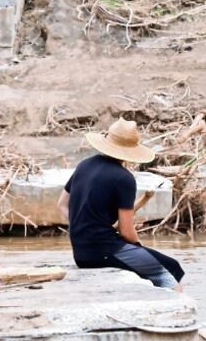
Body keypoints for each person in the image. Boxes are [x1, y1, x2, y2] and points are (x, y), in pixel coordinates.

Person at [58, 119, 184, 291]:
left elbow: (62, 204)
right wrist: (138, 246)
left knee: (149, 263)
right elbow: (126, 232)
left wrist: (80, 228)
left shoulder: (84, 165)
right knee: (170, 268)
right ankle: (175, 311)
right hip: (104, 251)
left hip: (80, 253)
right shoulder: (124, 178)